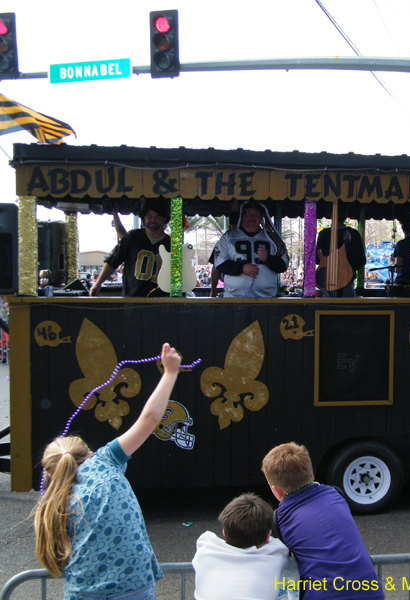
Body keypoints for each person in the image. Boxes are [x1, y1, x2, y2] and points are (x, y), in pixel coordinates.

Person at [34, 343, 181, 600]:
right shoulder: (104, 460)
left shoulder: (54, 502)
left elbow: (58, 556)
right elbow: (149, 419)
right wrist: (170, 372)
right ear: (87, 452)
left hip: (83, 593)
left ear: (51, 473)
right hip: (135, 587)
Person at [261, 442, 384, 600]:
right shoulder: (335, 494)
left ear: (276, 490)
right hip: (371, 593)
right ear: (309, 472)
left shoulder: (279, 519)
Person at [193, 493, 289, 600]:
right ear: (268, 536)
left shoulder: (206, 548)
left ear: (224, 533)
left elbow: (207, 536)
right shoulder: (277, 554)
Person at [90, 199, 171, 297]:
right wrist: (98, 283)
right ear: (144, 217)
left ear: (164, 219)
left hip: (162, 302)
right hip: (132, 301)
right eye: (149, 216)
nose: (152, 220)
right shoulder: (132, 237)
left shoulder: (171, 244)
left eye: (157, 217)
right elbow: (113, 261)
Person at [213, 201, 289, 298]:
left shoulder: (273, 239)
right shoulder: (228, 237)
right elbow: (219, 264)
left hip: (267, 299)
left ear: (262, 217)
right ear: (242, 216)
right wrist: (241, 268)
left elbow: (283, 265)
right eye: (248, 214)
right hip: (234, 299)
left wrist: (268, 259)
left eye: (256, 214)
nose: (252, 218)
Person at [315, 203, 367, 298]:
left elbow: (317, 259)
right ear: (346, 215)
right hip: (348, 282)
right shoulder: (354, 234)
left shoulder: (324, 234)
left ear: (330, 214)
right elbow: (362, 261)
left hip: (328, 282)